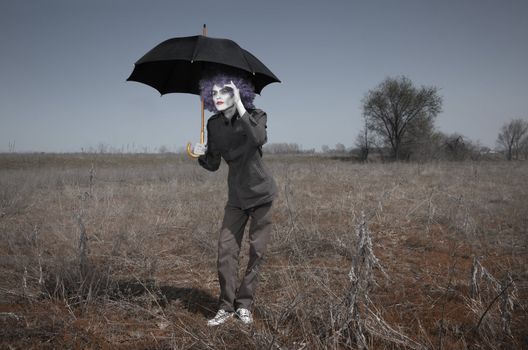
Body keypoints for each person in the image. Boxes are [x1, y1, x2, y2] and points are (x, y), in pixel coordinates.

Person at [194, 72, 277, 326]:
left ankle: (244, 304)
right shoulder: (213, 125)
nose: (218, 97)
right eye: (214, 92)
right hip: (236, 198)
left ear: (239, 91)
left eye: (226, 91)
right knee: (226, 250)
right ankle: (226, 306)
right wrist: (201, 154)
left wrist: (240, 105)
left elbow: (258, 139)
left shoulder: (257, 116)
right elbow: (213, 164)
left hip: (262, 194)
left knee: (257, 251)